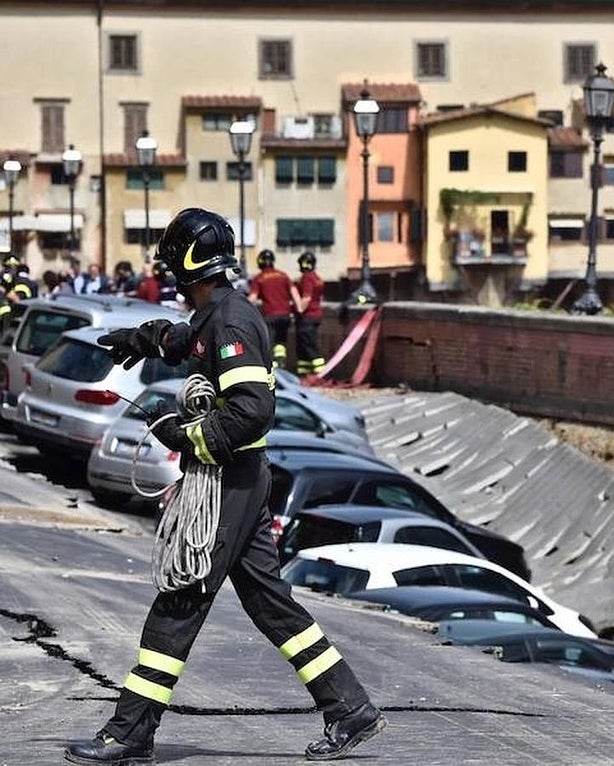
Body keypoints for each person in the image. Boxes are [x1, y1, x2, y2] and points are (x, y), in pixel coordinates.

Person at [67, 208, 383, 765]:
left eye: (172, 266)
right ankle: (349, 708)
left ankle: (130, 733)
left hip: (230, 480)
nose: (169, 276)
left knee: (181, 597)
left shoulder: (232, 322)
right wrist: (135, 340)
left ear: (189, 264)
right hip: (242, 480)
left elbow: (250, 412)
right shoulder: (217, 313)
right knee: (270, 603)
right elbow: (181, 338)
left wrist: (185, 436)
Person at [248, 248, 301, 369]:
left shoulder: (259, 278)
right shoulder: (283, 275)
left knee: (268, 343)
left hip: (270, 316)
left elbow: (252, 298)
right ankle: (280, 363)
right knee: (281, 342)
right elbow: (295, 293)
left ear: (260, 262)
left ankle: (272, 367)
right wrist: (299, 309)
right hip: (285, 316)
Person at [294, 251, 326, 377]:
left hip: (307, 317)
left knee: (309, 345)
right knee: (303, 347)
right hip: (316, 315)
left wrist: (299, 309)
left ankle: (320, 373)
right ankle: (304, 374)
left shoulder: (307, 278)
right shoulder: (317, 278)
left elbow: (306, 298)